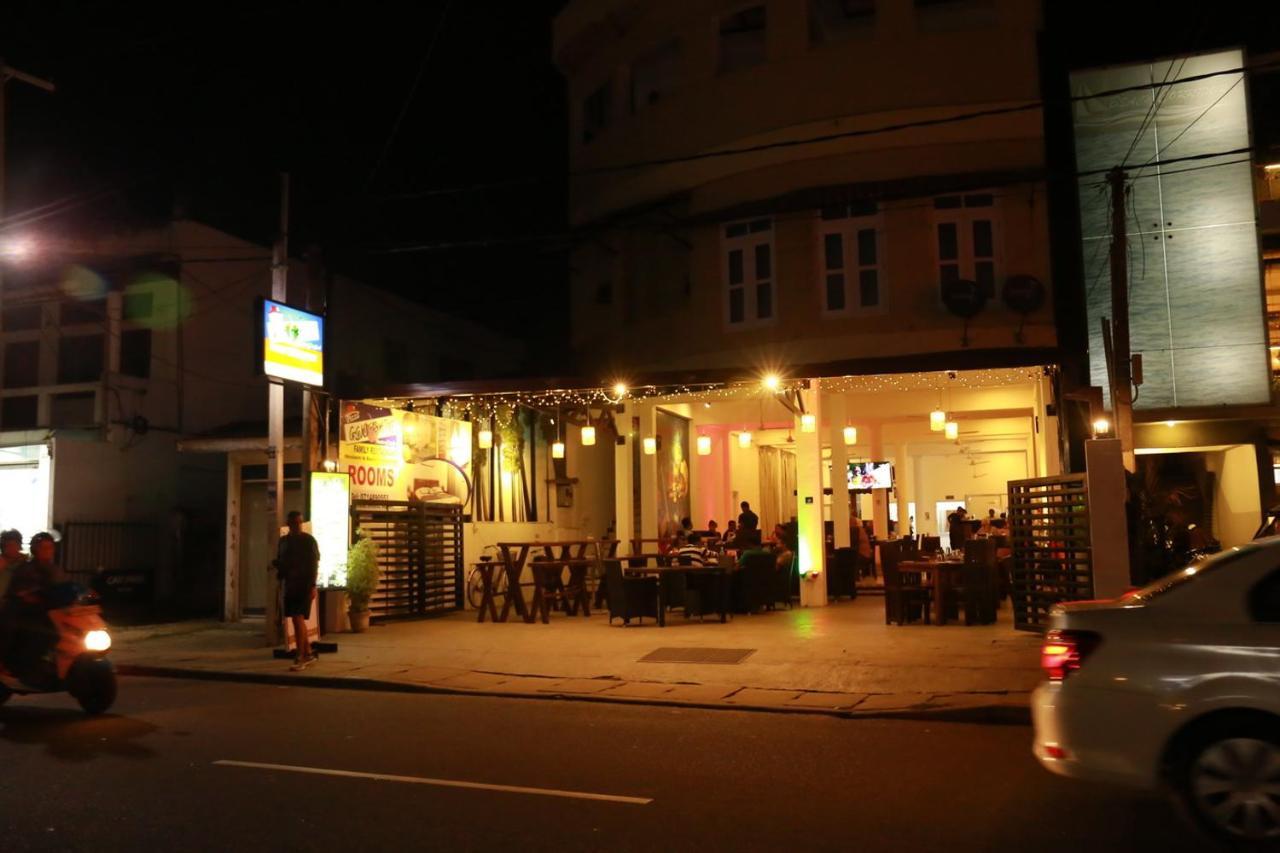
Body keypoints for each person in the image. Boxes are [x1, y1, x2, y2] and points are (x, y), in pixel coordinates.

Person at [274, 511, 320, 670]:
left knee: (297, 618)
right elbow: (281, 560)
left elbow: (314, 564)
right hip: (290, 585)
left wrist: (313, 585)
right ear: (289, 524)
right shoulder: (284, 541)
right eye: (293, 523)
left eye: (299, 523)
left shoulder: (308, 541)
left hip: (303, 585)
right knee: (296, 619)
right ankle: (307, 652)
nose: (296, 526)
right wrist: (277, 569)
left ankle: (300, 656)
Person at [0, 529, 25, 600]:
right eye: (6, 546)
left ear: (19, 546)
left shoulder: (25, 563)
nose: (9, 549)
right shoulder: (1, 561)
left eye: (12, 545)